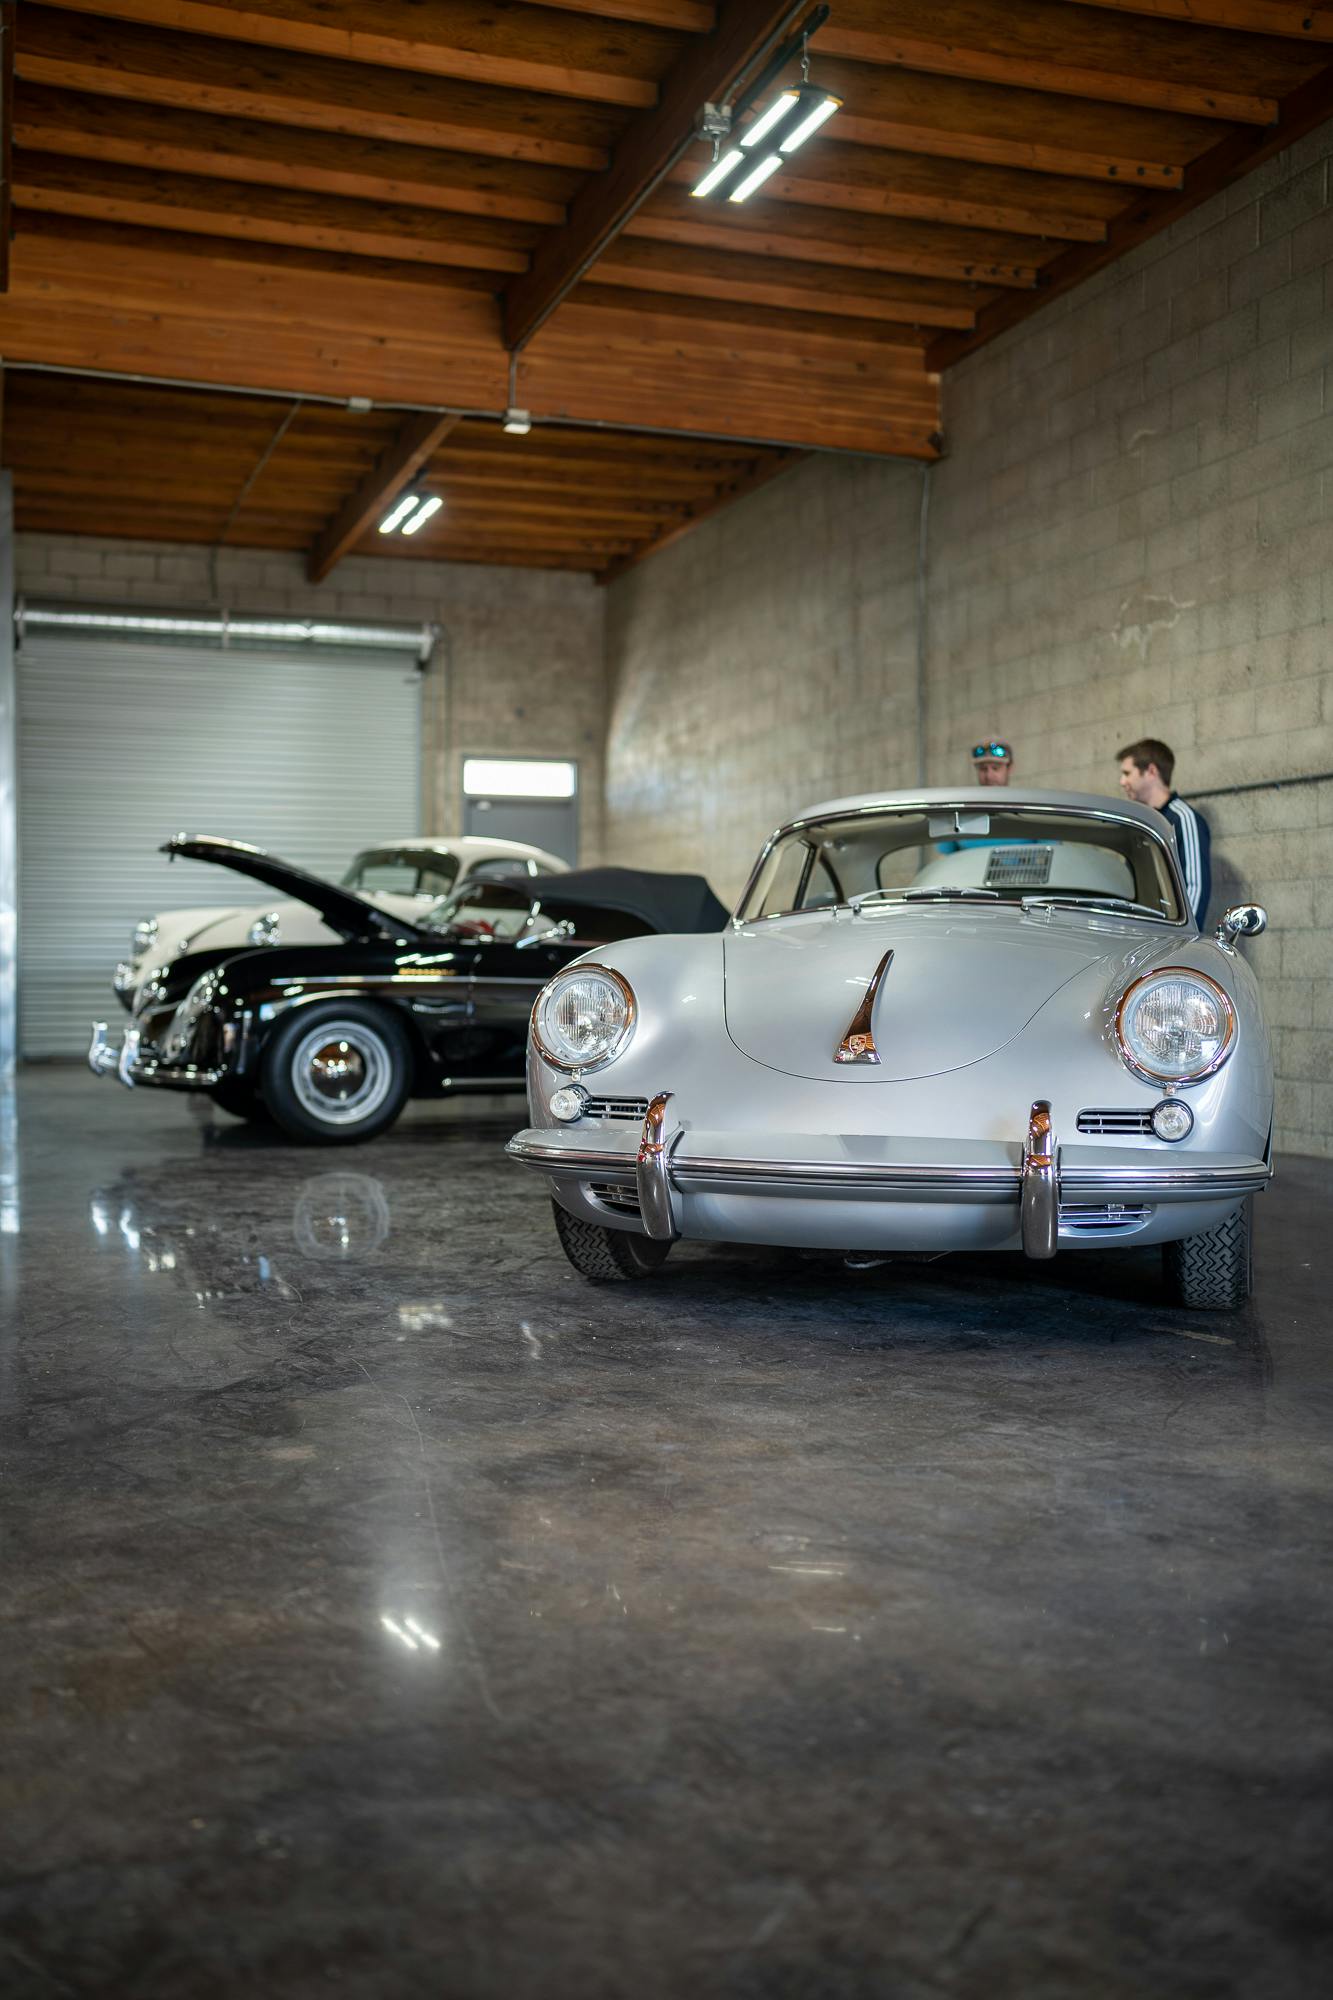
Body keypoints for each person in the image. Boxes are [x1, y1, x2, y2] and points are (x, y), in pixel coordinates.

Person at [1116, 737, 1211, 929]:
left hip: (1169, 942)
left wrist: (1181, 939)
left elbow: (1195, 886)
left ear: (1151, 771)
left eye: (1127, 773)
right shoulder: (1141, 823)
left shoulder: (1183, 819)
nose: (1122, 781)